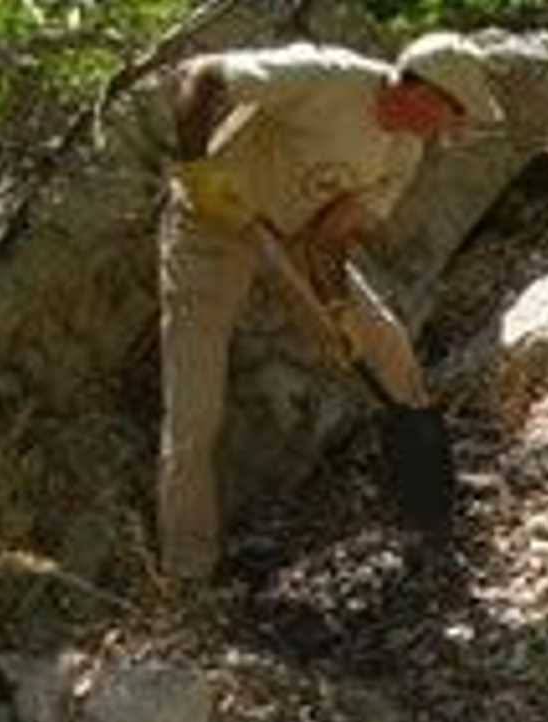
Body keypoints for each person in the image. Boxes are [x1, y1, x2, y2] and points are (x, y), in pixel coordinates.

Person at [158, 32, 502, 581]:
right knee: (196, 410)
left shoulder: (402, 151)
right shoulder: (325, 77)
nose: (449, 129)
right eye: (453, 112)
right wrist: (199, 172)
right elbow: (198, 75)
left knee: (389, 351)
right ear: (424, 90)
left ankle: (429, 522)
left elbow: (330, 238)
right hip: (210, 228)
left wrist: (338, 310)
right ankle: (185, 573)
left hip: (293, 239)